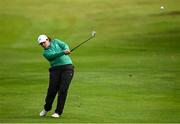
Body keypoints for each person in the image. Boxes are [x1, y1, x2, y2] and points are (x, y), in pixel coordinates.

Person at [38, 34, 74, 118]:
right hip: (55, 70)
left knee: (63, 90)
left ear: (48, 39)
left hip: (67, 68)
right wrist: (63, 52)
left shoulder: (56, 41)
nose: (43, 44)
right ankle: (46, 108)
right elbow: (53, 55)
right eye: (41, 44)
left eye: (44, 42)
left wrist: (66, 49)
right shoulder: (45, 53)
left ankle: (58, 112)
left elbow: (64, 45)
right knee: (52, 90)